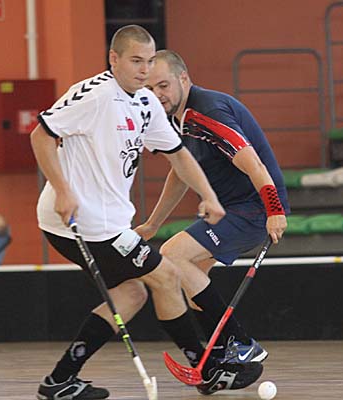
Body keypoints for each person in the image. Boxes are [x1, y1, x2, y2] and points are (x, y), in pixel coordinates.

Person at [30, 25, 262, 400]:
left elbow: (178, 154)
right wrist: (63, 189)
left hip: (108, 222)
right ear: (114, 59)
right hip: (80, 222)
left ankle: (60, 380)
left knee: (132, 294)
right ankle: (205, 370)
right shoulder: (94, 95)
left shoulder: (145, 103)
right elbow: (40, 135)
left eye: (150, 61)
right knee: (166, 276)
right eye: (136, 61)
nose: (144, 70)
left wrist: (208, 195)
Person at [139, 50, 289, 369]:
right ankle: (220, 353)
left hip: (253, 208)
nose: (157, 94)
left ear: (183, 78)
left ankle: (239, 343)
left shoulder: (207, 112)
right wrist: (152, 224)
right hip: (229, 208)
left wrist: (274, 209)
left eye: (163, 85)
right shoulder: (176, 119)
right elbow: (180, 173)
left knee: (173, 255)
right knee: (191, 273)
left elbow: (254, 163)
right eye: (149, 88)